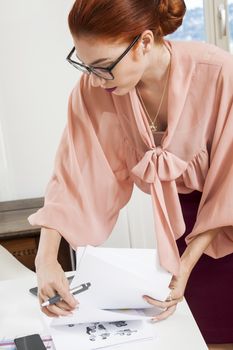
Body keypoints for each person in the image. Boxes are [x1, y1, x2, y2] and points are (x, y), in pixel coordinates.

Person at [28, 0, 233, 348]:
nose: (95, 78)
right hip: (178, 226)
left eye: (105, 66)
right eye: (86, 65)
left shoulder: (218, 72)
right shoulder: (95, 89)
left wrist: (186, 266)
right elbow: (73, 172)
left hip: (225, 223)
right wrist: (46, 258)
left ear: (145, 42)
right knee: (192, 336)